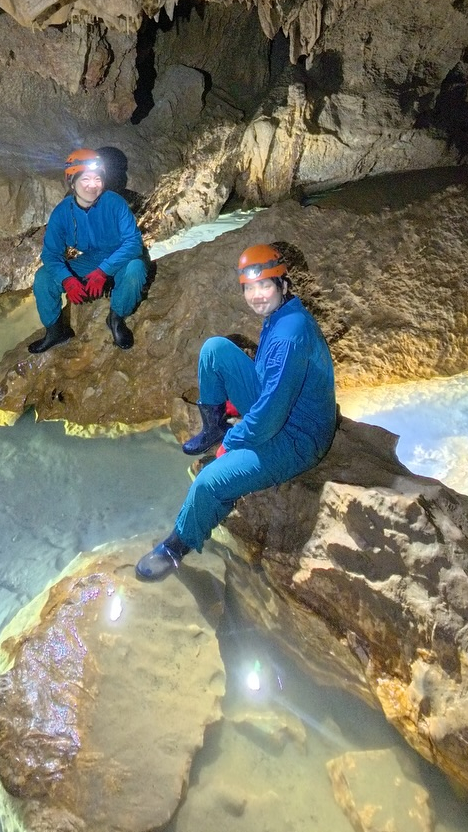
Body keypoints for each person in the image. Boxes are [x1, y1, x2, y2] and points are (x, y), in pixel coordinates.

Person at [135, 242, 336, 580]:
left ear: (282, 285)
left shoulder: (290, 334)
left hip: (297, 437)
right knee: (215, 350)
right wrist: (232, 415)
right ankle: (213, 426)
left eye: (265, 285)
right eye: (250, 288)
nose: (257, 295)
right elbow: (269, 383)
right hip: (280, 409)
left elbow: (268, 420)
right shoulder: (283, 313)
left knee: (209, 482)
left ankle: (176, 546)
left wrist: (236, 440)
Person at [29, 148, 148, 353]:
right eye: (85, 179)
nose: (92, 186)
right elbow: (50, 254)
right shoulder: (62, 213)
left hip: (123, 256)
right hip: (92, 259)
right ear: (72, 182)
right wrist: (68, 279)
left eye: (97, 179)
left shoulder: (115, 203)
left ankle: (116, 319)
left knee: (135, 270)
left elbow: (133, 243)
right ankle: (56, 331)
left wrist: (103, 272)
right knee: (43, 278)